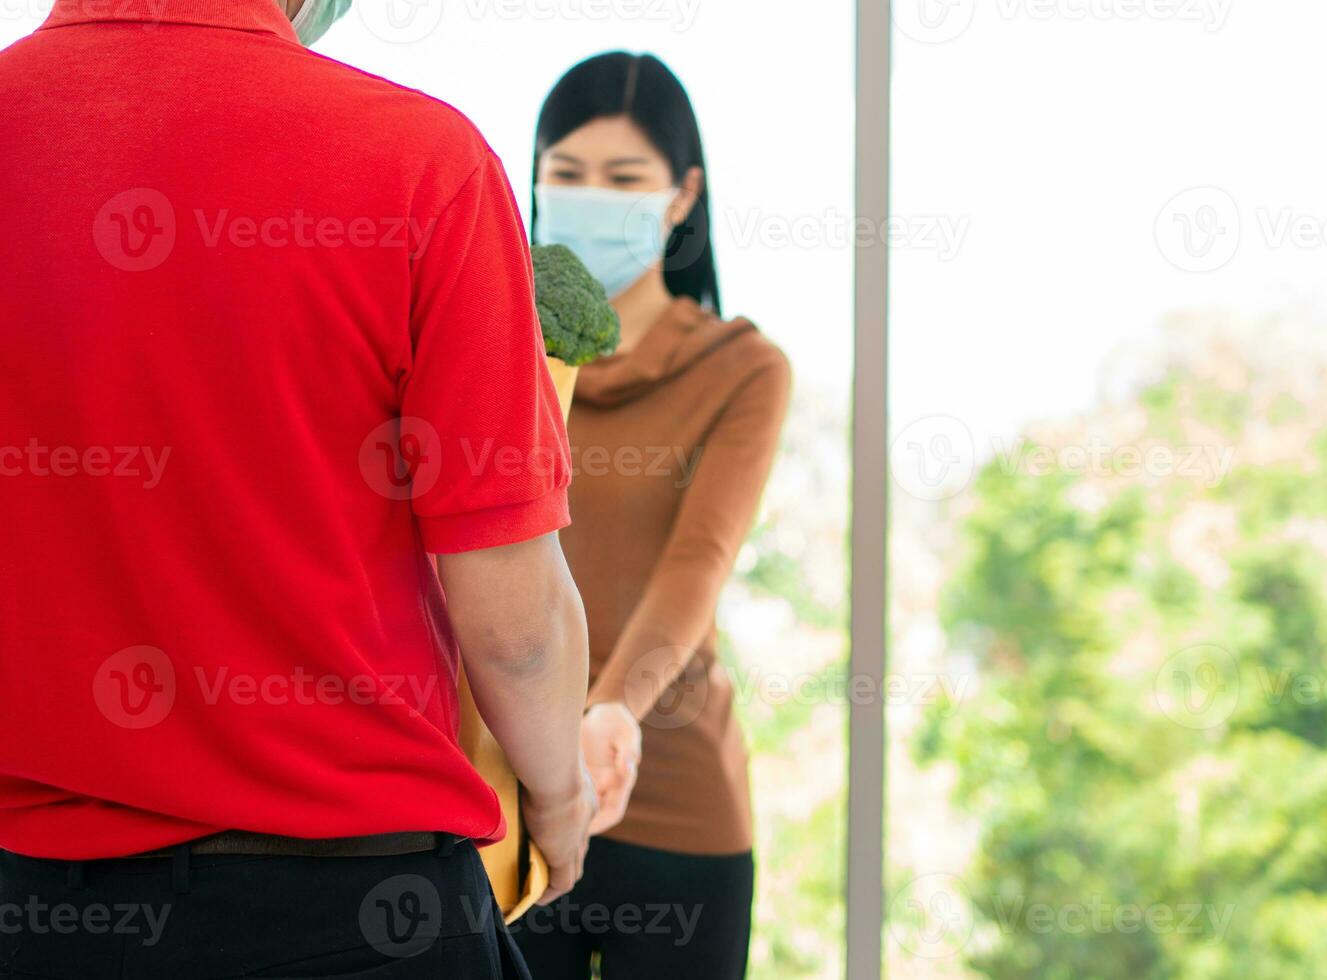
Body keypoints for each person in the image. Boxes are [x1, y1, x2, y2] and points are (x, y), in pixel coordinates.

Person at [0, 2, 595, 976]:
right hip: (358, 915)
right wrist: (560, 799)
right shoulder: (422, 163)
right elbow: (516, 621)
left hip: (35, 912)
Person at [510, 52, 793, 979]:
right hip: (505, 795)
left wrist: (609, 715)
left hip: (674, 805)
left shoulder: (741, 370)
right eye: (570, 174)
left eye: (625, 180)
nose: (595, 198)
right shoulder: (487, 357)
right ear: (536, 179)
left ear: (682, 196)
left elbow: (696, 569)